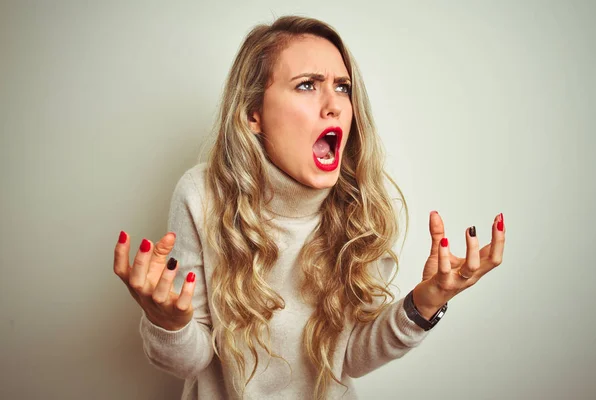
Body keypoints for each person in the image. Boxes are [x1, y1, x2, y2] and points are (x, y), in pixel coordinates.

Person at [113, 15, 506, 400]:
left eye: (342, 87)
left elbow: (347, 358)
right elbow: (189, 361)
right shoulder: (202, 195)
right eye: (306, 85)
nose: (333, 105)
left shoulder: (363, 206)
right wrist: (168, 322)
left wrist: (425, 303)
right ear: (253, 115)